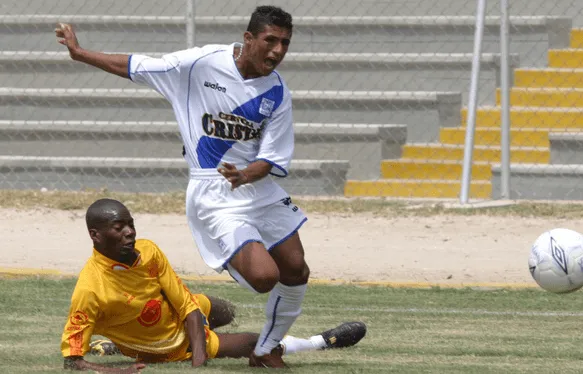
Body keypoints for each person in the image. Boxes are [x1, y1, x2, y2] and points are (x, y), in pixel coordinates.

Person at [56, 6, 317, 368]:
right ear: (248, 39)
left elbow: (271, 157)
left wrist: (245, 175)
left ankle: (265, 350)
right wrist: (80, 53)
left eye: (285, 43)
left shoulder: (277, 91)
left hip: (257, 188)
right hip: (214, 193)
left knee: (297, 270)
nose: (277, 51)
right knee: (265, 277)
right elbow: (137, 66)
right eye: (270, 40)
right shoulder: (200, 64)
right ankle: (225, 271)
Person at [61, 198, 366, 373]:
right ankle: (320, 342)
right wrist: (119, 371)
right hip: (166, 346)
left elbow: (187, 305)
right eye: (119, 228)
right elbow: (72, 362)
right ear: (95, 235)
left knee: (222, 309)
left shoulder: (148, 250)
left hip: (178, 315)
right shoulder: (91, 290)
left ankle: (117, 344)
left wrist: (199, 361)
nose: (129, 232)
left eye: (131, 224)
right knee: (255, 346)